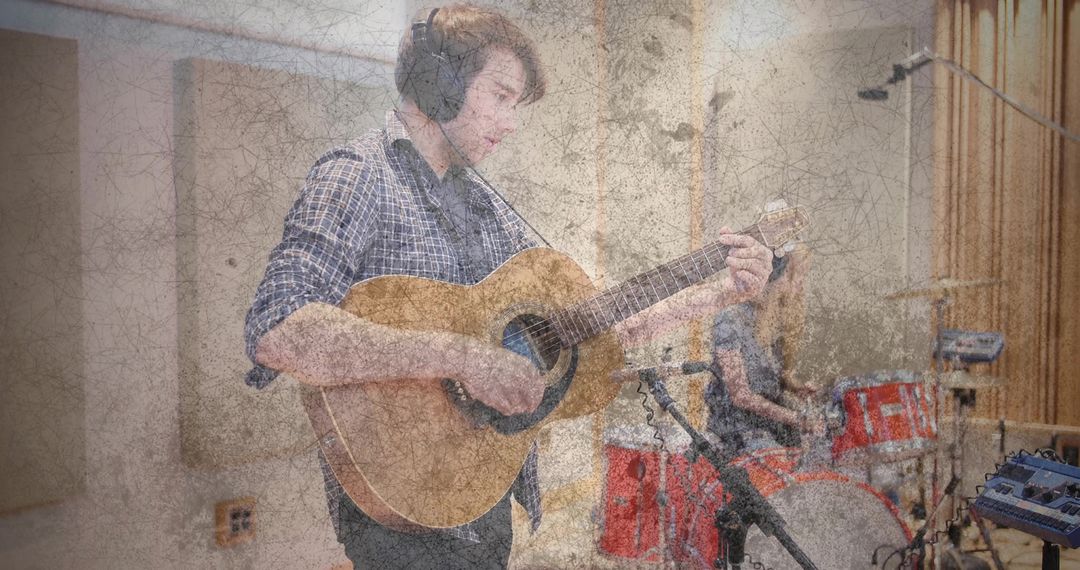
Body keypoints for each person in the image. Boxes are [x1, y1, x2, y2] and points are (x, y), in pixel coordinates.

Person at [243, 4, 774, 568]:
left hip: (484, 489)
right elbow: (278, 328)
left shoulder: (483, 206)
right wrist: (462, 357)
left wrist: (718, 293)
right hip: (402, 510)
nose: (510, 121)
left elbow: (586, 335)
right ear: (440, 85)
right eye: (501, 95)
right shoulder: (356, 174)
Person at [706, 245, 825, 457]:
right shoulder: (729, 320)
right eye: (794, 276)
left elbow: (771, 380)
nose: (799, 286)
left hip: (773, 427)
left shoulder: (773, 324)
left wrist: (794, 386)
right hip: (739, 433)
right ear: (771, 280)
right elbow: (740, 395)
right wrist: (796, 418)